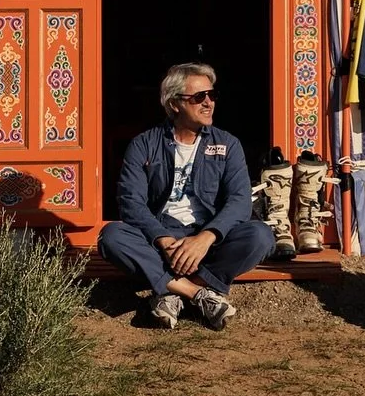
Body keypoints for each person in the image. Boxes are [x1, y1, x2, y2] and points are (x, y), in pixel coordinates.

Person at [101, 63, 273, 330]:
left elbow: (239, 200)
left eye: (212, 95)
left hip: (207, 238)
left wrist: (206, 238)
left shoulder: (227, 144)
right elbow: (130, 202)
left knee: (261, 236)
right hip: (162, 238)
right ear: (174, 104)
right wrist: (164, 240)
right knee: (112, 237)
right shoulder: (144, 144)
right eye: (198, 97)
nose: (208, 103)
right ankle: (198, 294)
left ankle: (170, 290)